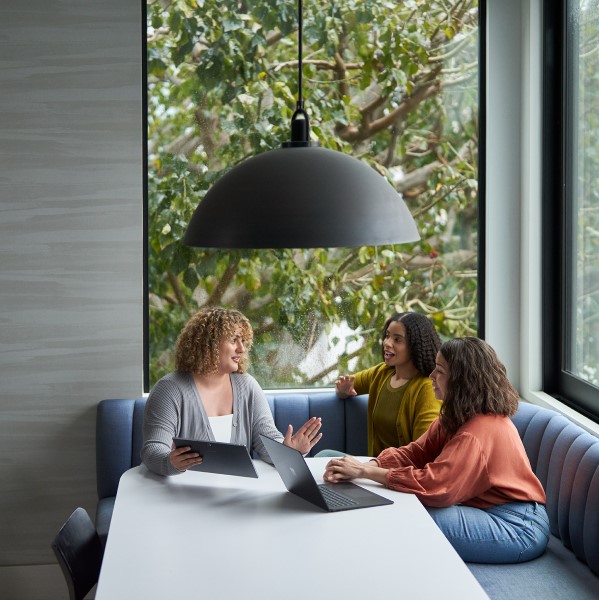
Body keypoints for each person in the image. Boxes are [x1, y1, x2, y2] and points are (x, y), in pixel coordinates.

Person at [323, 337, 550, 564]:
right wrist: (368, 466)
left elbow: (438, 488)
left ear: (462, 381)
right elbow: (415, 452)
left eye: (439, 371)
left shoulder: (477, 431)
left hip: (518, 526)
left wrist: (365, 473)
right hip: (486, 511)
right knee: (393, 502)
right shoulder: (456, 415)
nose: (431, 376)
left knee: (404, 515)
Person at [141, 306, 322, 476]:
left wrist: (289, 451)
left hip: (234, 497)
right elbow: (153, 449)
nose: (241, 349)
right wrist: (170, 462)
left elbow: (268, 443)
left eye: (243, 341)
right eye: (233, 340)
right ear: (208, 343)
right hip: (179, 496)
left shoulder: (248, 386)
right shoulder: (170, 389)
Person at [333, 311, 442, 456]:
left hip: (399, 473)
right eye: (387, 336)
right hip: (373, 469)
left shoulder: (427, 389)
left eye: (397, 340)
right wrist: (342, 391)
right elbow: (346, 384)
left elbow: (423, 453)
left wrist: (369, 470)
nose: (387, 343)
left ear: (416, 346)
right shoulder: (381, 373)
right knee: (325, 456)